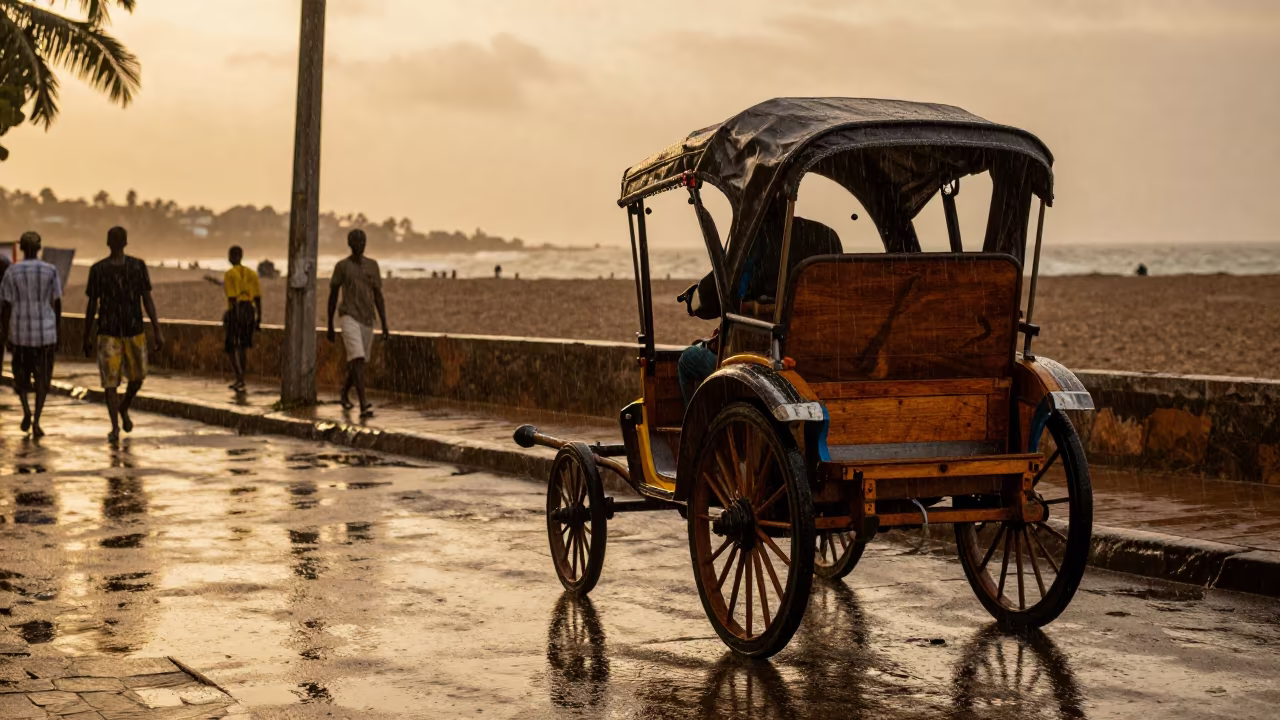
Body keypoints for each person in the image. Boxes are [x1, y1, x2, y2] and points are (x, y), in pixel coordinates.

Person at [83, 226, 165, 443]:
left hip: (133, 331)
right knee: (110, 383)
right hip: (108, 333)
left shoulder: (137, 267)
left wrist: (157, 329)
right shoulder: (98, 270)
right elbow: (92, 304)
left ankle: (124, 406)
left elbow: (147, 299)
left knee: (138, 378)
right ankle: (115, 427)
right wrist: (88, 334)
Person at [0, 232, 62, 437]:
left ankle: (26, 410)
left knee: (21, 378)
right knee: (43, 378)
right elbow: (57, 303)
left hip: (20, 335)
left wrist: (6, 332)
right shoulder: (50, 271)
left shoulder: (12, 272)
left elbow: (6, 305)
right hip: (45, 334)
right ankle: (37, 420)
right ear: (39, 248)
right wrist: (57, 331)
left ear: (23, 249)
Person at [327, 229, 388, 417]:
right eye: (356, 241)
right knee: (357, 358)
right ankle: (363, 403)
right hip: (348, 316)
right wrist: (329, 323)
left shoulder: (373, 266)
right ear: (349, 244)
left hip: (367, 318)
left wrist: (385, 323)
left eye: (363, 241)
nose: (360, 245)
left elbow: (378, 295)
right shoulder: (342, 267)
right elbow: (333, 295)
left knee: (359, 362)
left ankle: (345, 392)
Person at [223, 245, 262, 391]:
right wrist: (259, 318)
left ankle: (238, 376)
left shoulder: (229, 274)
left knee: (230, 345)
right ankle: (242, 378)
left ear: (232, 257)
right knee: (243, 346)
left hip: (237, 309)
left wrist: (234, 317)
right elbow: (258, 298)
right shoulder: (252, 273)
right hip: (250, 310)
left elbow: (232, 298)